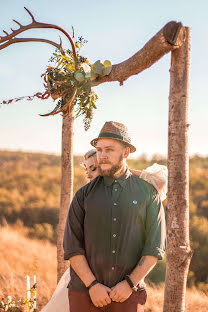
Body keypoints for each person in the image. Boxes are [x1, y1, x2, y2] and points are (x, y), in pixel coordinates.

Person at [63, 121, 166, 312]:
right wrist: (92, 285)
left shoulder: (147, 194)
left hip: (128, 296)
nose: (102, 155)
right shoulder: (83, 195)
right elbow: (71, 246)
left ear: (126, 153)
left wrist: (129, 284)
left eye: (109, 149)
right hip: (84, 295)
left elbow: (155, 247)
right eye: (99, 149)